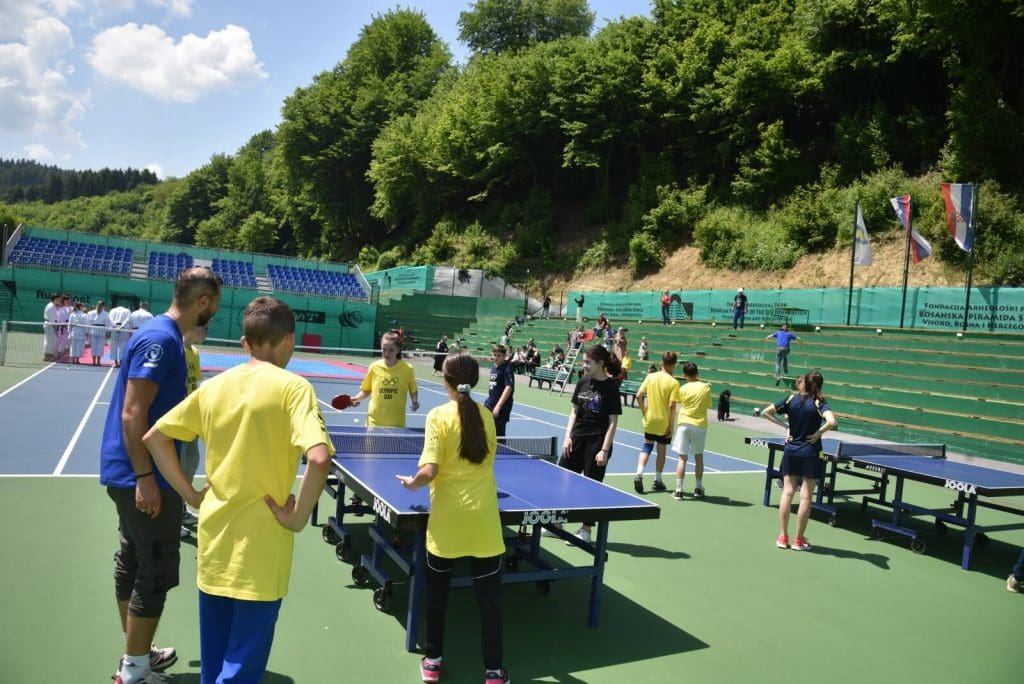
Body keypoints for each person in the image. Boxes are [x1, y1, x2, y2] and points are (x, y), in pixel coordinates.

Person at [143, 296, 333, 684]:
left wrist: (191, 496)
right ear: (290, 341)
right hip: (261, 554)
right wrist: (297, 518)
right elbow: (318, 459)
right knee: (240, 671)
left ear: (245, 342)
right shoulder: (295, 389)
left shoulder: (214, 387)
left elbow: (154, 438)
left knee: (213, 665)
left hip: (215, 546)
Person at [100, 267, 221, 684]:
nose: (214, 313)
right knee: (155, 568)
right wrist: (145, 477)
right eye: (214, 305)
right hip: (143, 473)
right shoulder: (162, 340)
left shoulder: (163, 335)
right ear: (202, 302)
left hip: (137, 471)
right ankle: (134, 670)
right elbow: (133, 413)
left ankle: (136, 652)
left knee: (134, 559)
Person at [396, 353, 509, 684]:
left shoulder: (437, 416)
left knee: (438, 596)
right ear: (474, 380)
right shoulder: (486, 416)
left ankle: (433, 661)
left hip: (446, 526)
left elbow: (429, 470)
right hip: (484, 525)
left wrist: (412, 483)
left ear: (446, 381)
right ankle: (494, 671)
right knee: (489, 602)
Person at [760, 371, 837, 551]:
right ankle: (799, 540)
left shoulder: (791, 399)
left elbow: (765, 412)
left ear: (805, 383)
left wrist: (785, 426)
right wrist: (819, 433)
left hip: (791, 451)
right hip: (810, 453)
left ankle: (783, 537)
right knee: (806, 496)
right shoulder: (819, 402)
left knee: (787, 492)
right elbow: (832, 421)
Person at [560, 345, 622, 543]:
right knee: (562, 479)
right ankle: (557, 524)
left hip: (597, 442)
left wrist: (604, 449)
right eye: (584, 361)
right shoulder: (582, 382)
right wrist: (567, 437)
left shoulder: (611, 387)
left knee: (591, 487)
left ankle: (586, 529)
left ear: (600, 363)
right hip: (576, 438)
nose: (584, 365)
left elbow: (612, 422)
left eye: (588, 362)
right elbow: (574, 412)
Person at [351, 330, 419, 427]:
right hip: (374, 421)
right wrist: (357, 399)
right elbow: (366, 389)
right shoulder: (374, 367)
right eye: (384, 349)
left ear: (398, 349)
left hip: (396, 423)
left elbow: (413, 390)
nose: (387, 353)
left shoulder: (407, 369)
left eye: (391, 350)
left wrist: (415, 401)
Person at [633, 352, 679, 494]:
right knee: (661, 449)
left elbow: (638, 395)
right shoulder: (674, 382)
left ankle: (639, 473)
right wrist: (671, 426)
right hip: (663, 421)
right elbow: (672, 406)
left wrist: (643, 410)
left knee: (647, 446)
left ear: (661, 362)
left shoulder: (650, 376)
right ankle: (657, 480)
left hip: (650, 419)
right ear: (674, 365)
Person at [178, 322, 208, 537]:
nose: (206, 332)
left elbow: (197, 386)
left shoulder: (194, 353)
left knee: (190, 464)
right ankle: (171, 520)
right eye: (205, 328)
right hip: (178, 420)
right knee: (177, 470)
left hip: (192, 421)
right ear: (194, 327)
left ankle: (180, 510)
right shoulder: (176, 350)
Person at [670, 362, 713, 500]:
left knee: (682, 458)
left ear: (684, 375)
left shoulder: (682, 388)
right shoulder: (706, 388)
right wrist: (705, 387)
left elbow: (682, 402)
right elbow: (708, 405)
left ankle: (678, 490)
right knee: (699, 457)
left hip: (684, 424)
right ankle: (698, 488)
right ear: (697, 373)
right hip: (700, 425)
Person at [484, 344, 515, 437]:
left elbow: (509, 387)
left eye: (499, 355)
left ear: (504, 356)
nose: (496, 357)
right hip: (490, 403)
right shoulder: (494, 367)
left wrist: (498, 406)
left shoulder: (507, 368)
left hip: (502, 408)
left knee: (498, 436)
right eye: (494, 355)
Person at [108, 301, 133, 367]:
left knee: (114, 346)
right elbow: (127, 319)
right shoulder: (127, 311)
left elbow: (110, 319)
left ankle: (116, 362)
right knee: (123, 347)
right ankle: (121, 362)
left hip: (115, 329)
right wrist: (121, 327)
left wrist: (116, 326)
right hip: (123, 329)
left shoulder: (112, 310)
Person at [87, 299, 110, 366]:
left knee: (94, 346)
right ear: (103, 306)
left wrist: (89, 331)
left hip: (93, 330)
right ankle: (98, 362)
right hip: (101, 330)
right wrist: (107, 331)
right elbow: (107, 323)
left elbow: (89, 322)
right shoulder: (106, 314)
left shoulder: (91, 312)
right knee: (100, 346)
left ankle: (94, 361)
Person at [43, 292, 60, 361]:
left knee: (49, 341)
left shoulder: (53, 305)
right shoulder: (51, 306)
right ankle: (48, 356)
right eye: (58, 299)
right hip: (50, 325)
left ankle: (47, 355)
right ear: (55, 299)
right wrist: (55, 329)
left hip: (49, 324)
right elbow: (52, 320)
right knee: (51, 341)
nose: (59, 300)